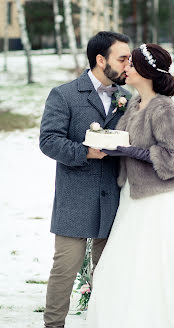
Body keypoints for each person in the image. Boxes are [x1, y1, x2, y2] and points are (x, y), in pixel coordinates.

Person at [86, 43, 174, 328]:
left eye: (131, 65)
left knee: (158, 266)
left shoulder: (164, 109)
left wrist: (132, 152)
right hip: (131, 198)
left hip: (157, 201)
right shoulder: (134, 105)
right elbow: (124, 141)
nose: (126, 68)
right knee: (121, 268)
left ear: (145, 72)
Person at [39, 31, 131, 328]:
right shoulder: (64, 94)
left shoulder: (125, 98)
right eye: (123, 58)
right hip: (75, 197)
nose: (128, 64)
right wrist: (84, 152)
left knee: (107, 272)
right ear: (101, 60)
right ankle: (54, 325)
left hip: (114, 199)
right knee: (64, 270)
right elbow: (48, 141)